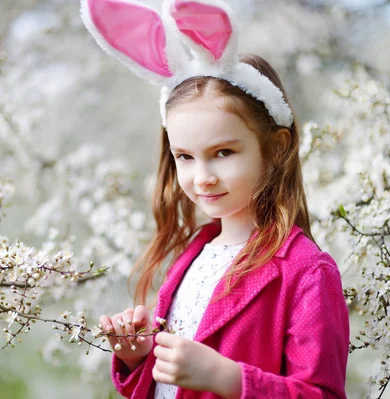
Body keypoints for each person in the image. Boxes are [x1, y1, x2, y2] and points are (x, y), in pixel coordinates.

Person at [81, 0, 350, 398]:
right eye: (185, 157)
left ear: (275, 148)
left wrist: (229, 379)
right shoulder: (194, 255)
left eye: (223, 152)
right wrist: (141, 360)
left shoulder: (306, 273)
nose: (202, 178)